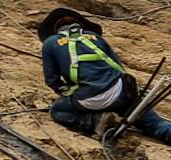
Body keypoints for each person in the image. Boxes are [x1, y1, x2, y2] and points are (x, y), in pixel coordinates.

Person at [37, 8, 171, 145]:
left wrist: (67, 92)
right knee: (155, 124)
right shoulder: (96, 38)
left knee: (58, 111)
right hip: (122, 93)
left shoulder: (50, 43)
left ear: (56, 30)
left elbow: (52, 80)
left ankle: (97, 121)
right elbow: (117, 66)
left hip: (89, 99)